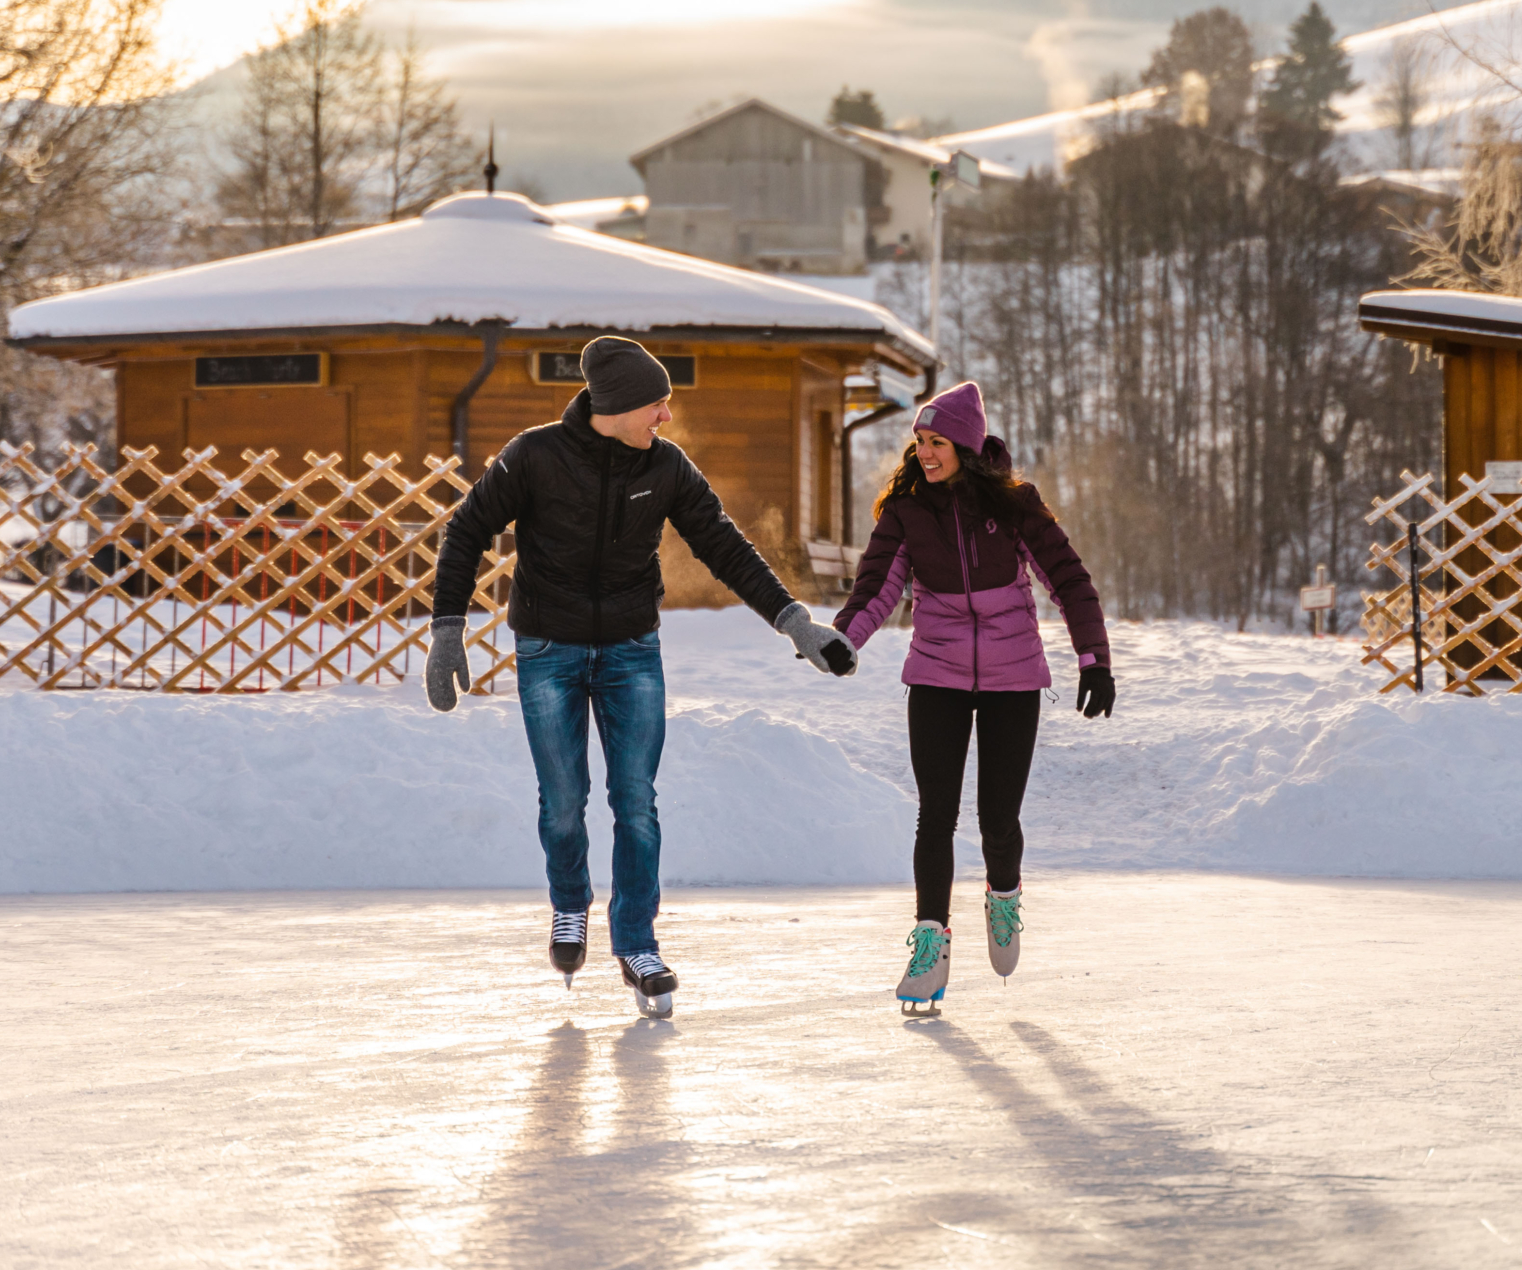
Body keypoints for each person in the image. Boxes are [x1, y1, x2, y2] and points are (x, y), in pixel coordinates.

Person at [425, 334, 858, 1018]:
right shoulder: (534, 455)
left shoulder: (667, 468)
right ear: (622, 406)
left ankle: (636, 941)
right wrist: (448, 631)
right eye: (658, 403)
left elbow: (724, 544)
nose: (666, 416)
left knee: (636, 801)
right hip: (549, 647)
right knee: (563, 799)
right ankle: (570, 905)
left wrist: (796, 623)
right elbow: (467, 530)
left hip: (630, 649)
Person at [831, 381, 1113, 1013]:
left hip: (1014, 678)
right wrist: (845, 641)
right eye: (920, 443)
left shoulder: (1015, 505)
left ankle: (1004, 895)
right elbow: (877, 587)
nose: (926, 454)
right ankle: (930, 945)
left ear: (965, 443)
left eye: (937, 443)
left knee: (997, 819)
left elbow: (1068, 579)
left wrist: (1093, 660)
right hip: (936, 673)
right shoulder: (906, 510)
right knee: (936, 815)